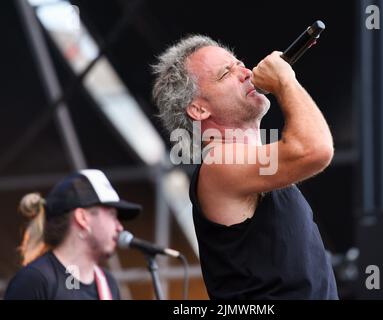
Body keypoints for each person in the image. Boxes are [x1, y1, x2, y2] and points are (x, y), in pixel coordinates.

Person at [152, 35, 338, 299]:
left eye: (240, 64)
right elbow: (315, 149)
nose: (246, 73)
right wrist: (285, 80)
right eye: (226, 73)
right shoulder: (219, 165)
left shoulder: (258, 166)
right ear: (199, 109)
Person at [4, 169, 141, 300]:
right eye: (112, 215)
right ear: (82, 218)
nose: (119, 227)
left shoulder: (108, 285)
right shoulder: (35, 280)